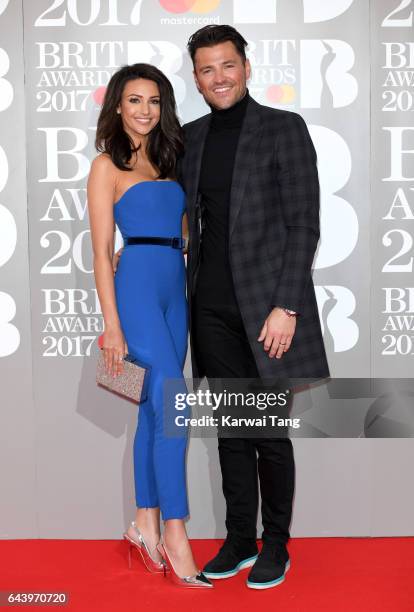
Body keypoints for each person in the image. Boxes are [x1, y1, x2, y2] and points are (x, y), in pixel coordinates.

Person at [180, 25, 330, 589]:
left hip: (267, 309)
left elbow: (304, 224)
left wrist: (285, 304)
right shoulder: (191, 138)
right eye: (206, 69)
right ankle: (240, 537)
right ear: (195, 77)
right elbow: (184, 216)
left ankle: (276, 544)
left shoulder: (283, 129)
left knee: (268, 431)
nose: (218, 77)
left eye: (227, 65)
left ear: (246, 65)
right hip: (210, 310)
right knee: (232, 430)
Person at [87, 63, 212, 589]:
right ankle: (176, 533)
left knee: (154, 409)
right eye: (135, 100)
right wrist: (112, 325)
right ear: (118, 106)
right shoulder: (105, 166)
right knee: (173, 402)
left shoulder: (170, 159)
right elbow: (99, 253)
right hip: (135, 285)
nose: (145, 111)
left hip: (174, 288)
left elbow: (184, 231)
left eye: (154, 101)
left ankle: (143, 522)